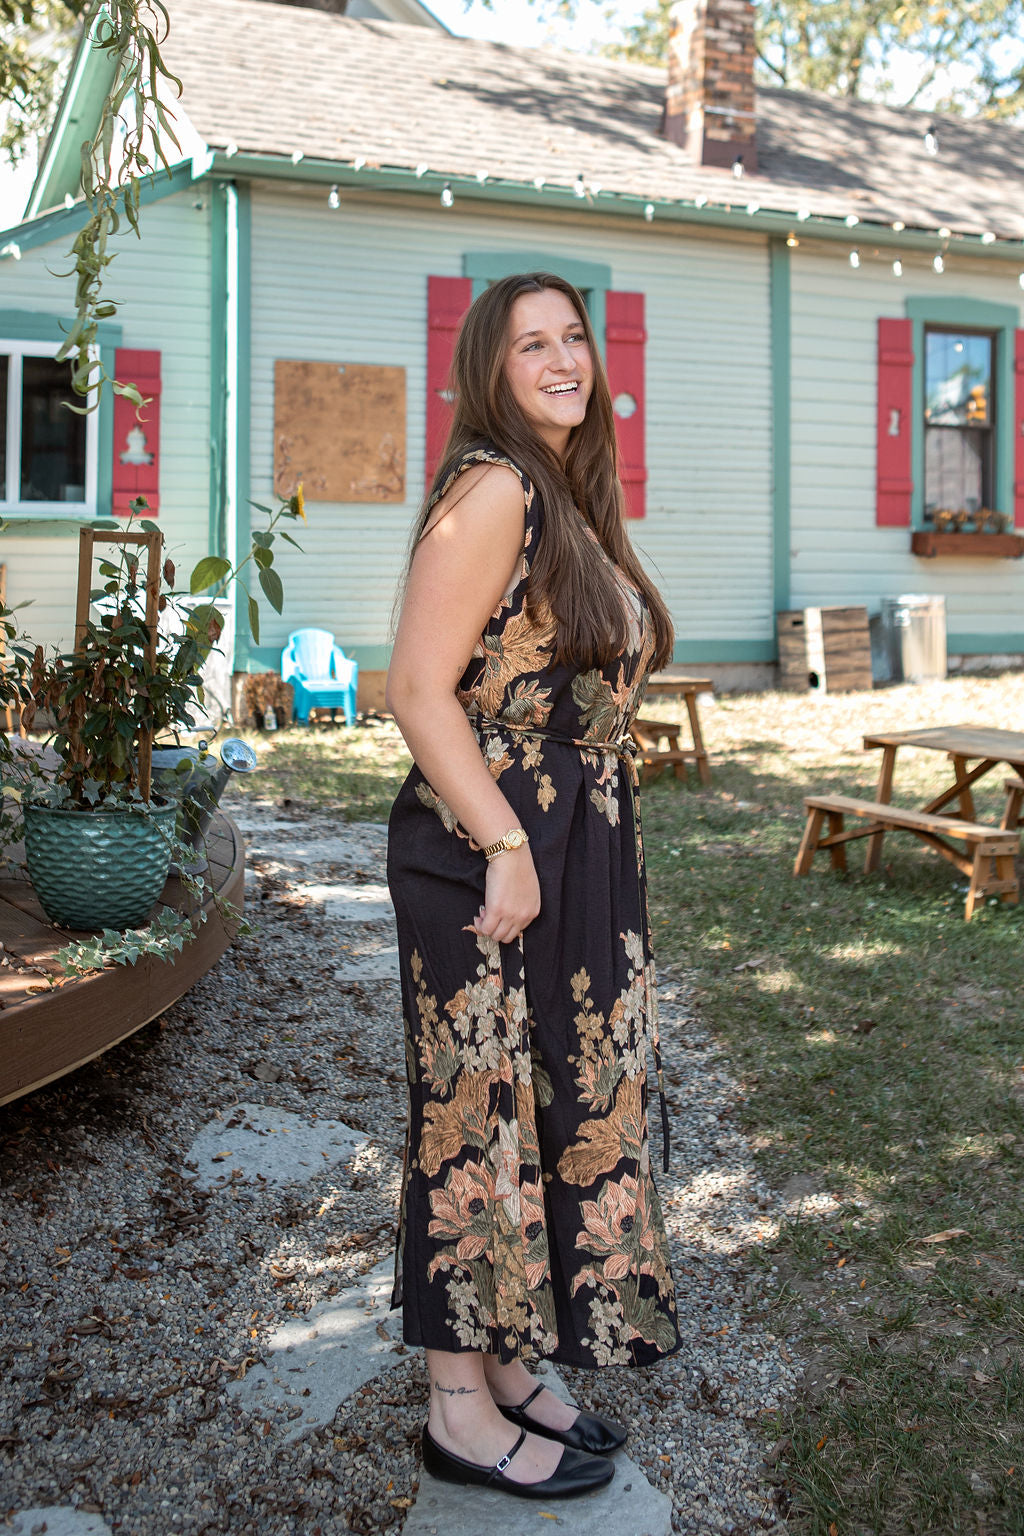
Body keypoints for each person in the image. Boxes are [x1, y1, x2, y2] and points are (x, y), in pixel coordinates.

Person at [386, 271, 681, 1501]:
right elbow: (416, 689)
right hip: (492, 846)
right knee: (478, 1114)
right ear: (489, 370)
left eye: (574, 338)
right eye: (530, 345)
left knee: (556, 1103)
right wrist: (506, 846)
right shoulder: (495, 488)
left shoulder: (561, 492)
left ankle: (511, 1366)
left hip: (573, 843)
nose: (563, 360)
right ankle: (456, 1409)